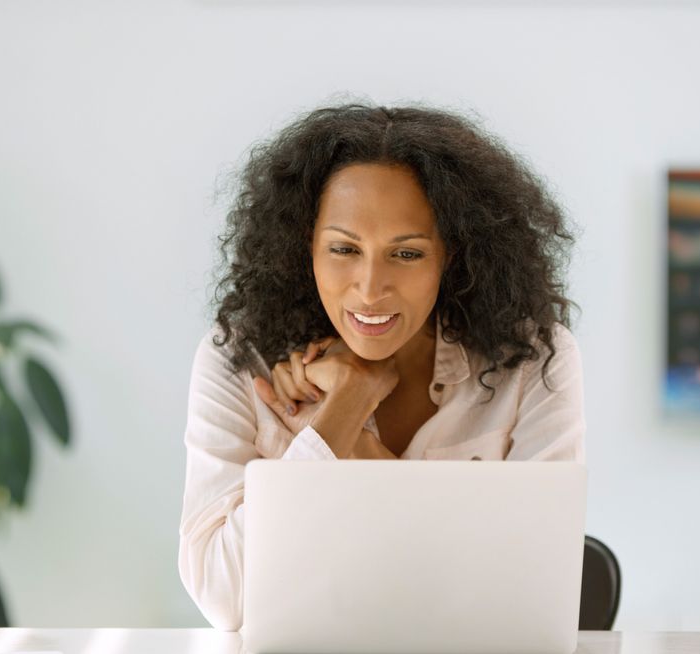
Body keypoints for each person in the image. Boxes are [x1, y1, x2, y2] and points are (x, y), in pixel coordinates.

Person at [178, 103, 586, 630]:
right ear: (306, 249)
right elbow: (223, 595)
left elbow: (533, 594)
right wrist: (342, 410)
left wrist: (351, 442)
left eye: (408, 254)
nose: (370, 289)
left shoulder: (532, 361)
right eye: (344, 248)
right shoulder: (237, 357)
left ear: (452, 254)